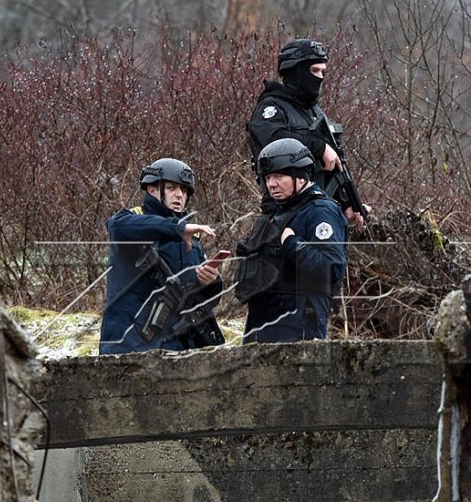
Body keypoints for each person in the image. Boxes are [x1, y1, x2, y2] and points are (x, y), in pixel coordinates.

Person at [98, 158, 225, 354]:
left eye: (184, 190)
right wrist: (177, 228)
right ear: (152, 190)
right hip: (132, 345)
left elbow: (201, 299)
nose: (179, 195)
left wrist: (211, 283)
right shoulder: (131, 222)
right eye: (172, 188)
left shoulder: (192, 238)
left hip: (180, 347)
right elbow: (116, 226)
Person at [235, 138, 348, 344]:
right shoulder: (277, 213)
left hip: (298, 324)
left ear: (301, 176)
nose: (271, 184)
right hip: (263, 321)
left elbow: (331, 268)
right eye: (268, 177)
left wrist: (293, 245)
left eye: (279, 176)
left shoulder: (320, 211)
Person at [247, 38, 366, 229]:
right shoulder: (272, 108)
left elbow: (332, 168)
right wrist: (319, 147)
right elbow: (275, 140)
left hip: (318, 211)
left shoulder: (315, 113)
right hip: (283, 213)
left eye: (323, 72)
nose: (320, 78)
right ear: (296, 72)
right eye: (314, 71)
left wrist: (346, 204)